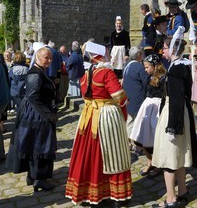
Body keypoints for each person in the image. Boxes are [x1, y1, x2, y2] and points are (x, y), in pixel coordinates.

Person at [65, 42, 132, 207]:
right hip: (106, 116)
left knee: (88, 154)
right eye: (107, 53)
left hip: (88, 117)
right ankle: (117, 195)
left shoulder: (86, 74)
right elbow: (119, 96)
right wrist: (125, 101)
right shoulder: (106, 73)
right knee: (114, 154)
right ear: (101, 56)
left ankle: (87, 193)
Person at [151, 32, 197, 208]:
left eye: (164, 48)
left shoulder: (176, 70)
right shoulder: (180, 66)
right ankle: (183, 191)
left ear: (172, 49)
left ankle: (171, 200)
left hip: (174, 114)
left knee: (169, 156)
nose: (162, 51)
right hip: (178, 112)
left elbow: (177, 99)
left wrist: (173, 126)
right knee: (177, 154)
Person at [13, 47, 57, 192]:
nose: (49, 60)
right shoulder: (35, 75)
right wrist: (48, 115)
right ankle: (40, 179)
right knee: (41, 145)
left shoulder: (39, 71)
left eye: (50, 58)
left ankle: (33, 176)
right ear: (37, 58)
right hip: (37, 115)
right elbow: (32, 97)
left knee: (34, 145)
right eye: (46, 57)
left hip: (36, 113)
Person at [129, 53, 166, 178]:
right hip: (147, 107)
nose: (145, 70)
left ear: (155, 66)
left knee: (154, 137)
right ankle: (149, 161)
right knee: (142, 137)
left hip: (157, 108)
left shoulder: (163, 78)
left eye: (147, 67)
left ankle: (158, 164)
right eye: (144, 67)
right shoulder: (148, 78)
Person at [122, 47, 149, 148]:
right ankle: (134, 143)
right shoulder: (139, 67)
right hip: (137, 97)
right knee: (136, 122)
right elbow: (146, 81)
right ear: (138, 55)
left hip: (128, 96)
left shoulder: (127, 66)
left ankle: (128, 142)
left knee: (129, 121)